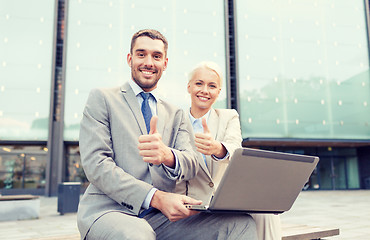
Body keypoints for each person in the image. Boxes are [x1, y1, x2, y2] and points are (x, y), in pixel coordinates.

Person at [77, 29, 257, 240]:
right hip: (110, 210)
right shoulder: (103, 99)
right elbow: (96, 165)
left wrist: (167, 156)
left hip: (161, 218)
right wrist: (155, 197)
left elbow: (190, 162)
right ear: (130, 58)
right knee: (137, 234)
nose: (148, 62)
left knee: (241, 224)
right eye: (141, 54)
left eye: (156, 56)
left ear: (165, 63)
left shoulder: (175, 113)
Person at [176, 61, 282, 240]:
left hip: (225, 199)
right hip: (193, 203)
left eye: (212, 86)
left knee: (267, 214)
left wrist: (217, 148)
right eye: (199, 83)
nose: (205, 90)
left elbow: (235, 149)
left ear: (218, 92)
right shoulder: (175, 120)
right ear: (189, 87)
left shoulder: (228, 116)